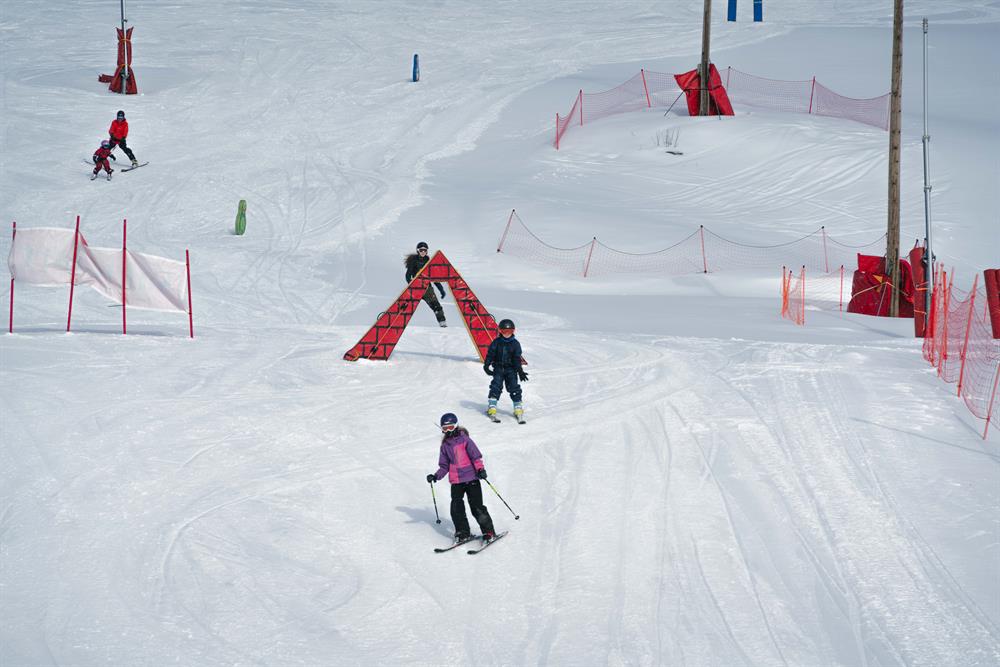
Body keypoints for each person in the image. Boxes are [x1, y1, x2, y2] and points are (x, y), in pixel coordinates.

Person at [426, 413, 496, 543]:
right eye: (445, 428)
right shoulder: (445, 445)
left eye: (450, 427)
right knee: (456, 508)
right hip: (456, 481)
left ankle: (489, 532)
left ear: (456, 426)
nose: (448, 430)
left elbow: (475, 457)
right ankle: (463, 533)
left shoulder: (465, 440)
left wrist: (480, 469)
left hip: (471, 478)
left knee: (477, 507)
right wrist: (436, 476)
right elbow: (444, 466)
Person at [483, 319, 528, 421]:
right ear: (500, 331)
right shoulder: (496, 342)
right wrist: (486, 365)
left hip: (511, 369)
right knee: (496, 386)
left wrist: (520, 371)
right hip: (498, 368)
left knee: (514, 387)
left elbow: (516, 359)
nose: (507, 334)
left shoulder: (515, 344)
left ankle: (518, 408)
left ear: (513, 331)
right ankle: (492, 407)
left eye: (509, 331)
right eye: (504, 331)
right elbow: (490, 354)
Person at [404, 241, 447, 327]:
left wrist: (441, 290)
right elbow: (408, 275)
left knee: (436, 306)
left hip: (427, 289)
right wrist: (412, 285)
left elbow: (434, 277)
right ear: (418, 250)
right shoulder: (413, 261)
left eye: (425, 250)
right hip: (416, 288)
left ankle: (443, 324)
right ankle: (394, 323)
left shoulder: (429, 261)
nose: (423, 252)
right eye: (421, 250)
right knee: (406, 307)